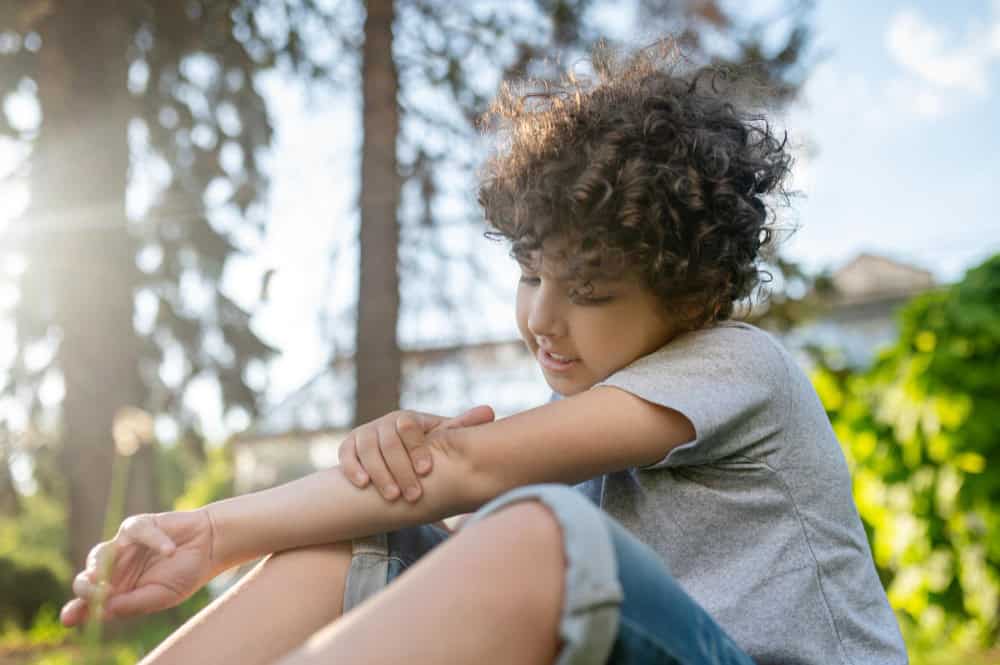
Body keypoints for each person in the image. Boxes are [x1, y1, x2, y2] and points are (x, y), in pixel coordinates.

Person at [60, 42, 908, 665]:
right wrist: (214, 531)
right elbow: (434, 497)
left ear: (689, 297)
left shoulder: (739, 365)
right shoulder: (578, 425)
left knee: (543, 536)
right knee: (356, 541)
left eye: (591, 290)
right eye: (531, 272)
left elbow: (467, 471)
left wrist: (219, 534)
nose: (543, 316)